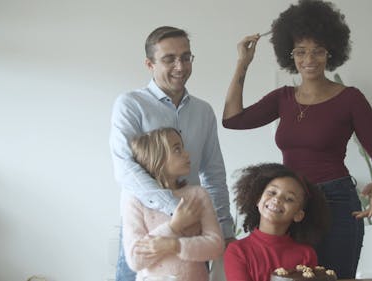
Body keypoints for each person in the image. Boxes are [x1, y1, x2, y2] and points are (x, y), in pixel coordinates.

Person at [222, 0, 372, 278]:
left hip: (337, 201)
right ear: (290, 55)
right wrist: (243, 63)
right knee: (292, 276)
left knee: (336, 276)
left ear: (331, 53)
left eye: (317, 51)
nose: (309, 59)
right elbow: (232, 120)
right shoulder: (283, 98)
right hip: (293, 204)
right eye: (301, 52)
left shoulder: (350, 99)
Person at [109, 26, 234, 281]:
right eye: (169, 59)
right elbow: (125, 168)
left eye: (186, 57)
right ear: (149, 64)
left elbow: (213, 174)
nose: (180, 66)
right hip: (146, 231)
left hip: (194, 233)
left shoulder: (203, 111)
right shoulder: (130, 104)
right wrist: (175, 211)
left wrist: (224, 230)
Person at [123, 127, 224, 281]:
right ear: (156, 157)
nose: (187, 154)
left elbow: (215, 246)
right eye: (177, 150)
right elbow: (134, 260)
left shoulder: (197, 195)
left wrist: (173, 245)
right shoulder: (136, 201)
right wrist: (173, 227)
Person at [224, 163, 329, 281]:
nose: (277, 199)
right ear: (258, 199)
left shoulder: (307, 254)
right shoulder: (237, 251)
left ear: (298, 215)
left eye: (289, 199)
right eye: (272, 192)